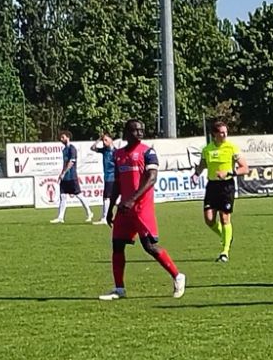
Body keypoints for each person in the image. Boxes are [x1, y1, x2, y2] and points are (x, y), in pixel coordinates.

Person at [99, 119, 186, 300]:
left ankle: (178, 276)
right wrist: (111, 207)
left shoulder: (148, 152)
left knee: (149, 246)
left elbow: (152, 178)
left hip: (141, 207)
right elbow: (117, 182)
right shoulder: (118, 154)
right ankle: (119, 289)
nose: (139, 133)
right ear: (126, 133)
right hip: (124, 208)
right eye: (135, 130)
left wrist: (132, 199)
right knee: (117, 245)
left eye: (141, 130)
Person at [193, 121, 249, 263]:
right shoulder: (207, 149)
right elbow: (202, 165)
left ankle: (225, 251)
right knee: (209, 219)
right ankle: (226, 237)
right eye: (221, 132)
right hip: (212, 186)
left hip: (226, 186)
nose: (224, 135)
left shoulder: (232, 148)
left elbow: (245, 168)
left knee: (225, 218)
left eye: (226, 132)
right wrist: (196, 174)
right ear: (214, 134)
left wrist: (229, 172)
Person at [50, 130, 94, 224]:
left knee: (79, 195)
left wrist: (64, 172)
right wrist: (61, 174)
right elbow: (65, 163)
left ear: (67, 137)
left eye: (63, 137)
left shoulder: (72, 148)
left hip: (71, 176)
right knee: (62, 196)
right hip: (65, 177)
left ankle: (89, 212)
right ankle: (60, 217)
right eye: (60, 138)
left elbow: (71, 162)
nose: (61, 139)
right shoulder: (64, 150)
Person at [91, 131, 116, 225]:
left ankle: (105, 218)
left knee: (106, 197)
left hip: (112, 177)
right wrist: (99, 139)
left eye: (106, 140)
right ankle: (106, 217)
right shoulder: (104, 150)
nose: (104, 142)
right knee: (108, 197)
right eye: (103, 140)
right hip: (107, 176)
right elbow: (92, 148)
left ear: (111, 140)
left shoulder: (116, 152)